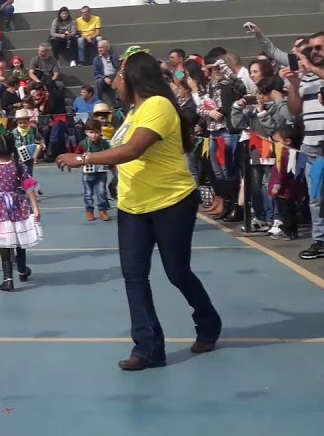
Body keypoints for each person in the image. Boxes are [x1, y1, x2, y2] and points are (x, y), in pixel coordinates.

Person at [56, 50, 220, 370]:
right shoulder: (132, 112)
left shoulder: (158, 106)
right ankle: (147, 348)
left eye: (118, 75)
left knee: (177, 272)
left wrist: (83, 159)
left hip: (170, 201)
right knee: (134, 275)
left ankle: (208, 322)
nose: (114, 82)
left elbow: (133, 150)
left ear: (132, 77)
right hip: (133, 205)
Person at [0, 132, 40, 291]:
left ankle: (8, 279)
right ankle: (22, 271)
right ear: (12, 150)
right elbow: (29, 187)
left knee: (4, 242)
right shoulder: (19, 166)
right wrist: (36, 208)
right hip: (18, 206)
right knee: (19, 239)